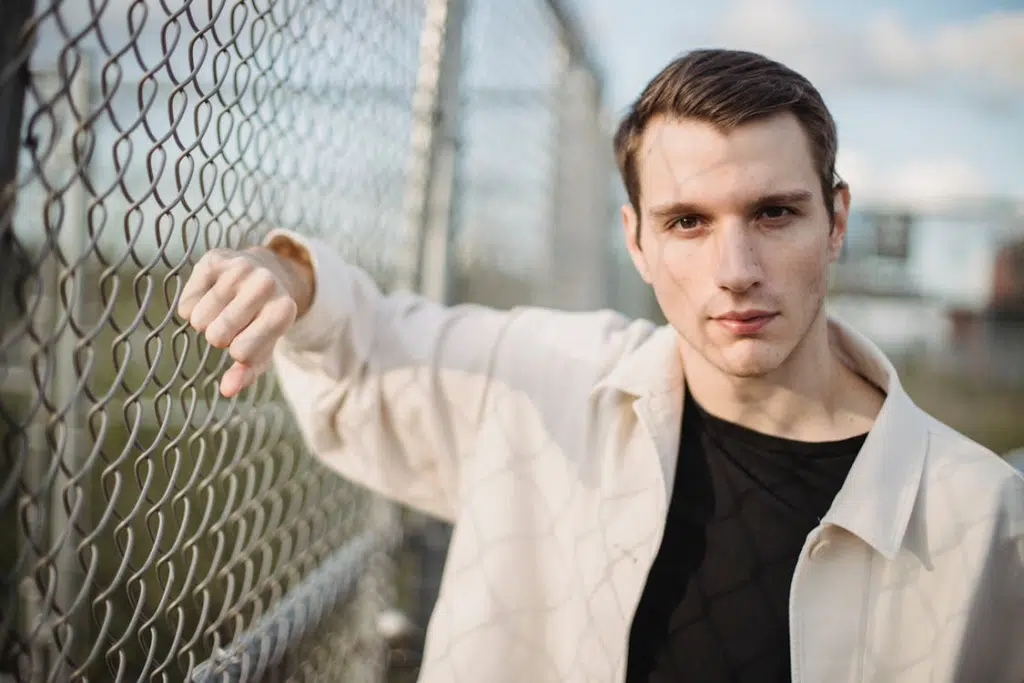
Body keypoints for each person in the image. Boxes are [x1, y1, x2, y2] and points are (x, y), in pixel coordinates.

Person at [176, 49, 1024, 683]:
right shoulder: (549, 377)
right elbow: (364, 342)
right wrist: (282, 273)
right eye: (688, 221)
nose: (737, 267)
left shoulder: (982, 518)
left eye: (774, 213)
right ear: (637, 242)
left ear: (835, 222)